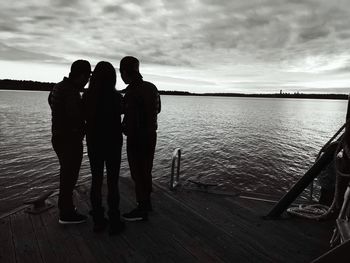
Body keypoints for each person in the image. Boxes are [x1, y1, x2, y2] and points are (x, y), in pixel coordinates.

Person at [82, 61, 125, 234]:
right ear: (112, 78)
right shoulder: (117, 98)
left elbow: (83, 115)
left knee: (96, 180)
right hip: (113, 142)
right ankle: (114, 220)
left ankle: (98, 220)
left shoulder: (87, 96)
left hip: (94, 142)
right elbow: (123, 113)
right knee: (112, 182)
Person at [48, 60, 91, 224]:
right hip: (69, 140)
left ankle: (65, 208)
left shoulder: (58, 87)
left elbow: (53, 104)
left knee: (66, 174)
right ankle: (66, 213)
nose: (87, 81)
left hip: (58, 137)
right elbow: (76, 117)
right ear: (81, 76)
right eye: (87, 77)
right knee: (69, 176)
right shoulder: (71, 91)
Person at [119, 56, 161, 221]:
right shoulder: (152, 87)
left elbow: (127, 119)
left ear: (124, 72)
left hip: (137, 138)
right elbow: (158, 109)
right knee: (146, 170)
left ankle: (142, 207)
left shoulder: (131, 93)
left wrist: (122, 128)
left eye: (121, 73)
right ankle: (147, 203)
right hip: (151, 135)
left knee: (137, 173)